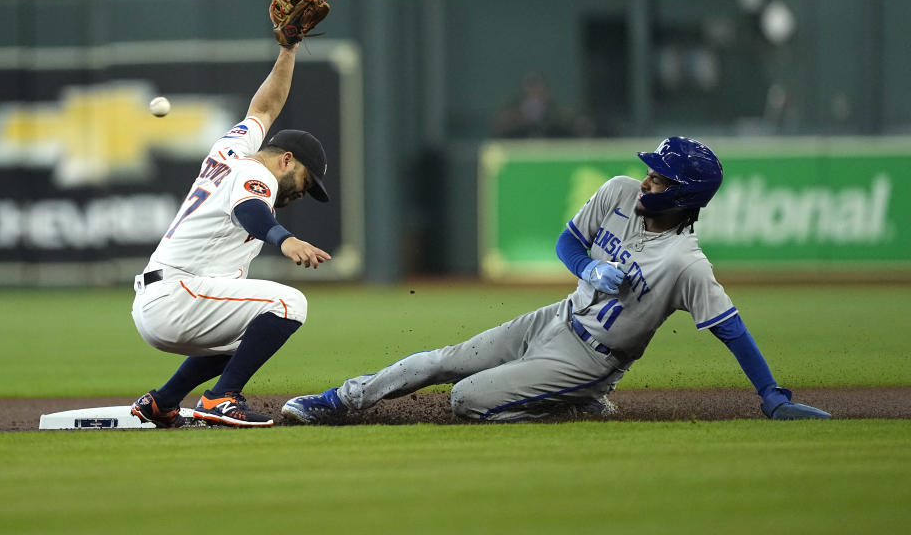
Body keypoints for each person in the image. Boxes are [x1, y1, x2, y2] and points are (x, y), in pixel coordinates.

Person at [282, 137, 831, 423]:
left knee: (467, 400)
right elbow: (568, 243)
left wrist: (772, 397)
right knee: (440, 361)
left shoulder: (687, 265)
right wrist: (587, 267)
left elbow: (731, 329)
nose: (647, 179)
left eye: (660, 178)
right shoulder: (620, 191)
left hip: (590, 360)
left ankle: (569, 402)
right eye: (650, 169)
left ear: (684, 195)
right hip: (558, 317)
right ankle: (336, 401)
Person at [130, 41, 332, 428]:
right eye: (307, 180)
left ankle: (164, 400)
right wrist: (285, 240)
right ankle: (220, 398)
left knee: (255, 330)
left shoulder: (231, 149)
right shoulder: (256, 174)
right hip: (177, 294)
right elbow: (250, 212)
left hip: (165, 298)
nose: (305, 191)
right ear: (286, 160)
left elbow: (264, 108)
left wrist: (288, 50)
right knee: (289, 305)